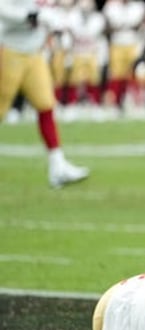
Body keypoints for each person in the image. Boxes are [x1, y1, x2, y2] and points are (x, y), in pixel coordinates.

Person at [0, 0, 90, 189]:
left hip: (34, 51)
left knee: (46, 105)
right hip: (9, 49)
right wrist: (32, 16)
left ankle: (58, 166)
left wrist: (55, 18)